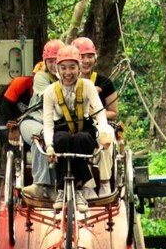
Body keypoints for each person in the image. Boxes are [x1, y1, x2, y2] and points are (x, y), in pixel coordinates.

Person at [42, 45, 113, 212]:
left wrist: (103, 133)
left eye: (72, 67)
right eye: (63, 68)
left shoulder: (87, 86)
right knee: (62, 140)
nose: (68, 72)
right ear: (57, 69)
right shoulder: (50, 91)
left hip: (84, 128)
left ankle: (80, 188)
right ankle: (61, 189)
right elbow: (47, 122)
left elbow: (99, 112)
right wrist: (49, 145)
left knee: (81, 139)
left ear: (79, 68)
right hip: (61, 128)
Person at [71, 36, 118, 198]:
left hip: (98, 123)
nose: (86, 60)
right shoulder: (67, 82)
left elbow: (114, 112)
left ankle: (105, 183)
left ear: (95, 58)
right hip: (75, 125)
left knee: (107, 135)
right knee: (80, 139)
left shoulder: (104, 82)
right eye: (82, 57)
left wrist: (96, 113)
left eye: (89, 56)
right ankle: (87, 185)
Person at [18, 39, 65, 200]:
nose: (53, 65)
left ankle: (53, 187)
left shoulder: (71, 78)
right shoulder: (41, 77)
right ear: (45, 62)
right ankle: (39, 184)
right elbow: (51, 98)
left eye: (56, 61)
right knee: (41, 135)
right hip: (34, 120)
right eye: (50, 61)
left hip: (54, 123)